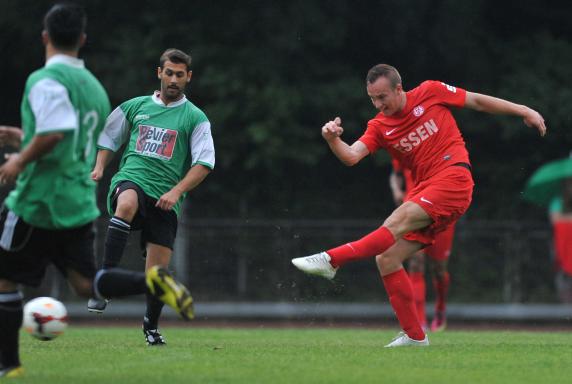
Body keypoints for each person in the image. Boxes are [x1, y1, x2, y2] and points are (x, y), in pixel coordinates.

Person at [292, 64, 546, 347]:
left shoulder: (430, 91)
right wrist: (332, 139)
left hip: (453, 178)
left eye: (382, 97)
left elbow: (476, 101)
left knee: (397, 222)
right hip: (428, 190)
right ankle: (415, 336)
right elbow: (351, 156)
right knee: (387, 258)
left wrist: (524, 110)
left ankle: (331, 260)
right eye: (372, 99)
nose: (378, 104)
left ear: (399, 89)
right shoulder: (379, 126)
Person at [0, 4, 192, 378]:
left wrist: (18, 159)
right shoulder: (94, 89)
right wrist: (24, 137)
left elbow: (53, 135)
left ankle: (10, 365)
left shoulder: (45, 80)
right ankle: (151, 280)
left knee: (4, 279)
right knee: (87, 282)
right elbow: (71, 141)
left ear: (44, 37)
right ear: (83, 39)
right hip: (76, 204)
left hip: (37, 198)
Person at [86, 48, 215, 346]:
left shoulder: (195, 117)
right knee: (127, 203)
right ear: (159, 73)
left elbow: (204, 163)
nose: (173, 79)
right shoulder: (136, 106)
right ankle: (103, 284)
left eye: (179, 75)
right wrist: (100, 166)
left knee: (157, 273)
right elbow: (109, 136)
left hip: (166, 198)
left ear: (188, 78)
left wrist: (177, 191)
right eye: (168, 73)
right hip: (131, 179)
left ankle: (150, 327)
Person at [390, 158, 454, 332]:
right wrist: (397, 190)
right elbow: (395, 175)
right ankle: (420, 319)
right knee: (416, 264)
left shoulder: (440, 148)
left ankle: (440, 307)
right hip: (414, 211)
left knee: (439, 269)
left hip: (440, 211)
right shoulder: (405, 147)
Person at [549, 178, 572, 303]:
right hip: (561, 245)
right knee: (563, 277)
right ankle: (566, 309)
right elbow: (555, 220)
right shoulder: (557, 200)